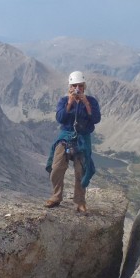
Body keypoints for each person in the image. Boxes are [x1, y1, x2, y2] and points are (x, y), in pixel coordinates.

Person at [44, 71, 101, 213]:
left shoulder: (91, 101)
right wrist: (70, 102)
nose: (77, 88)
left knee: (80, 171)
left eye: (80, 86)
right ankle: (56, 196)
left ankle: (80, 202)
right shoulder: (64, 101)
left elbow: (96, 119)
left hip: (82, 138)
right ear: (70, 86)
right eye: (74, 85)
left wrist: (85, 102)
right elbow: (60, 118)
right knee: (57, 168)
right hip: (66, 137)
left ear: (84, 87)